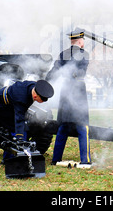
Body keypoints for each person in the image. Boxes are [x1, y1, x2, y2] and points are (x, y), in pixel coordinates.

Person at [47, 28, 92, 165]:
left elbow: (54, 72)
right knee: (82, 127)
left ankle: (56, 159)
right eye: (83, 40)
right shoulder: (84, 54)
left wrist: (46, 81)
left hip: (65, 93)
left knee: (63, 127)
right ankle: (85, 160)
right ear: (80, 41)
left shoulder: (63, 54)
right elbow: (81, 73)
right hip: (77, 93)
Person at [0, 79, 54, 158]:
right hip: (1, 105)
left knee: (24, 130)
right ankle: (9, 159)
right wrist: (20, 139)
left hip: (11, 105)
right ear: (35, 96)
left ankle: (24, 155)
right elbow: (19, 119)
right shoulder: (21, 99)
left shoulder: (34, 86)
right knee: (13, 130)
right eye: (39, 101)